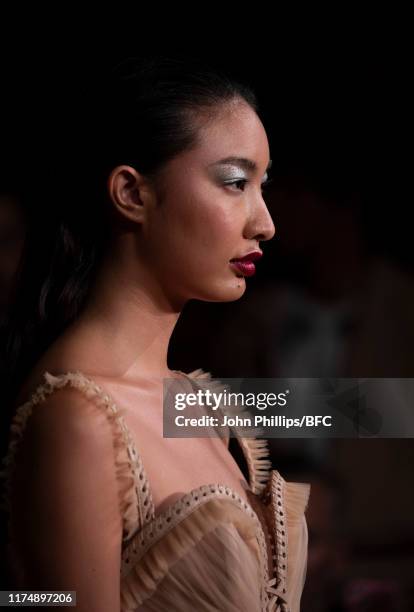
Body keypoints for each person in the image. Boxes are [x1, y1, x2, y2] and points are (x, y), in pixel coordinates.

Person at [0, 54, 310, 611]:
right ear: (132, 194)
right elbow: (38, 601)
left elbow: (367, 409)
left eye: (263, 185)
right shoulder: (79, 419)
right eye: (236, 182)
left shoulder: (196, 402)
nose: (265, 222)